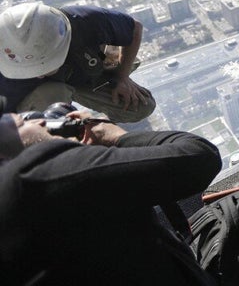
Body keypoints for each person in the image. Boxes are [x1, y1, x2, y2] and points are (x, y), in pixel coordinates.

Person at [0, 109, 221, 284]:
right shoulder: (34, 175)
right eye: (22, 122)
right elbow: (200, 157)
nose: (39, 122)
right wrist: (115, 136)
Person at [0, 2, 155, 123]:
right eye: (32, 70)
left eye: (44, 66)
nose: (39, 74)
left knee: (140, 106)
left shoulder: (83, 20)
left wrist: (122, 76)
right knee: (54, 95)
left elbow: (134, 28)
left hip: (84, 70)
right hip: (45, 92)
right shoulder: (7, 72)